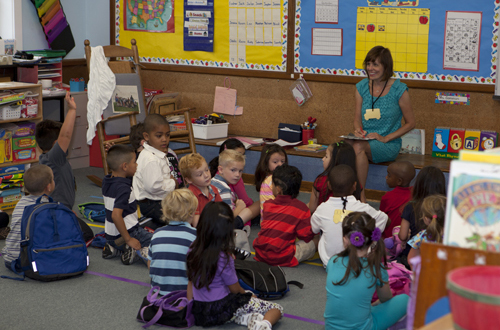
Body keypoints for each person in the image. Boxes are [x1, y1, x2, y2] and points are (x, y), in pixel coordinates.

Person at [186, 202, 283, 329]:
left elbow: (190, 282)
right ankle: (264, 325)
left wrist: (189, 306)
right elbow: (235, 289)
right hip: (221, 308)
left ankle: (247, 318)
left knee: (244, 299)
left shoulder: (193, 248)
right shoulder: (223, 257)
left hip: (201, 311)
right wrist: (248, 296)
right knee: (276, 308)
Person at [347, 46, 416, 202]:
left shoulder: (399, 89)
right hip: (365, 139)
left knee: (357, 147)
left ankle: (360, 194)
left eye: (375, 64)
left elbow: (411, 123)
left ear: (386, 66)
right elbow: (357, 119)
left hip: (388, 143)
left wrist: (385, 138)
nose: (370, 68)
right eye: (368, 64)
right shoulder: (361, 87)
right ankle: (340, 192)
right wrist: (358, 130)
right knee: (342, 146)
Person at [324, 212, 409, 330]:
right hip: (364, 327)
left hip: (330, 328)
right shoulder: (376, 268)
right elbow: (386, 299)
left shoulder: (333, 261)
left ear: (345, 240)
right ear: (372, 239)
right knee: (405, 300)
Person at [35, 91, 93, 241]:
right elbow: (65, 135)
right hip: (58, 211)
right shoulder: (54, 157)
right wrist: (72, 110)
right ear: (56, 145)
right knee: (86, 235)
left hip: (60, 209)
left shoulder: (49, 158)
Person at [311, 165, 388, 267]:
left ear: (329, 185)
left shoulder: (322, 209)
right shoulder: (364, 208)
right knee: (373, 234)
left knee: (322, 234)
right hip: (359, 261)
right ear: (354, 186)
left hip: (330, 263)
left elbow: (314, 229)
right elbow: (385, 219)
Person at [253, 164, 318, 267]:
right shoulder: (302, 209)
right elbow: (305, 236)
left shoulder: (267, 205)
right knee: (316, 241)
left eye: (272, 184)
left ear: (278, 189)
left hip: (261, 254)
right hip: (283, 257)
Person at [102, 144, 152, 265]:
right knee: (157, 240)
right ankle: (135, 250)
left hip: (110, 236)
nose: (137, 165)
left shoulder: (107, 180)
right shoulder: (124, 189)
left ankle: (114, 249)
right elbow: (116, 215)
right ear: (124, 166)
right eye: (134, 162)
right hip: (128, 233)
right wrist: (128, 239)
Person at [2, 165, 54, 270]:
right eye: (53, 179)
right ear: (48, 187)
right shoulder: (47, 206)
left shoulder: (21, 202)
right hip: (27, 261)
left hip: (9, 259)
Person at [148, 189, 198, 295]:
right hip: (184, 291)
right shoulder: (195, 235)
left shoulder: (157, 233)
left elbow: (150, 263)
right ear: (192, 213)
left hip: (158, 289)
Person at [133, 114, 177, 229]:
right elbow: (153, 187)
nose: (164, 139)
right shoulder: (151, 159)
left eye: (167, 135)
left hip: (158, 200)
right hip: (150, 204)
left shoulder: (157, 153)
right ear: (146, 136)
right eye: (159, 135)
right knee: (178, 219)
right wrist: (173, 183)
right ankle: (146, 223)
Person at [398, 166, 446, 263]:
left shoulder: (410, 206)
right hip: (439, 258)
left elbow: (402, 236)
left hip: (412, 257)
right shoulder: (446, 206)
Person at [209, 138, 260, 225]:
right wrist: (240, 208)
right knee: (259, 204)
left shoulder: (213, 181)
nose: (237, 175)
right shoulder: (224, 189)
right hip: (222, 226)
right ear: (220, 169)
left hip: (214, 220)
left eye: (240, 171)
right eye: (233, 170)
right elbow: (227, 218)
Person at [309, 141, 362, 213]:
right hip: (350, 221)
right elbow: (363, 205)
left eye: (326, 156)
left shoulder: (320, 181)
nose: (323, 159)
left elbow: (312, 209)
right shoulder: (355, 181)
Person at [179, 153, 223, 227]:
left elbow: (221, 209)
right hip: (201, 230)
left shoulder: (213, 189)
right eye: (200, 174)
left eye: (206, 170)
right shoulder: (191, 196)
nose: (206, 175)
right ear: (189, 180)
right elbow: (197, 224)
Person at [380, 161, 416, 238]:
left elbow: (382, 218)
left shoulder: (387, 197)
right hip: (409, 236)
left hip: (389, 237)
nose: (386, 177)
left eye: (389, 176)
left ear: (399, 181)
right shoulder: (416, 194)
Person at [407, 195, 446, 263]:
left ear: (426, 219)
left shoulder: (422, 235)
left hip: (425, 272)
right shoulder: (453, 235)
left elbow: (411, 259)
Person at [255, 144, 288, 216]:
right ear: (266, 163)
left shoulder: (271, 178)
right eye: (275, 162)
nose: (280, 164)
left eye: (282, 161)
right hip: (274, 219)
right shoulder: (271, 180)